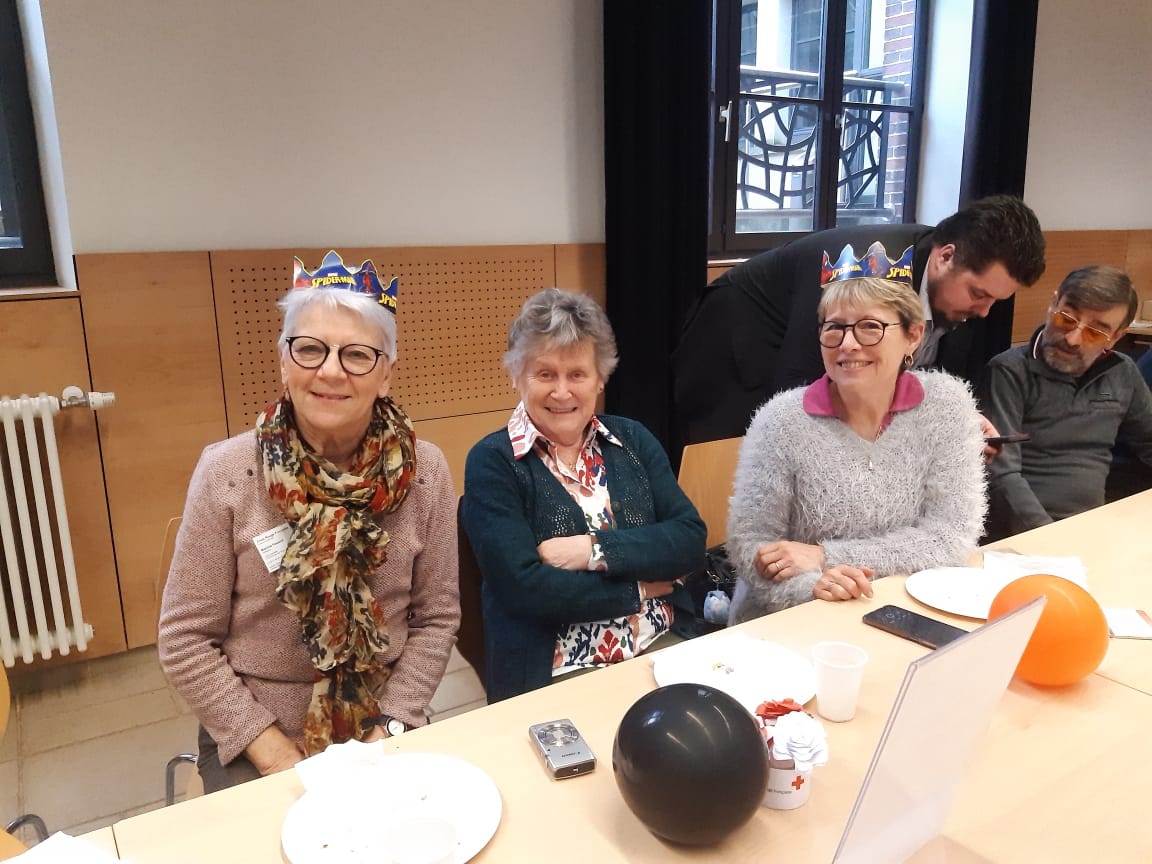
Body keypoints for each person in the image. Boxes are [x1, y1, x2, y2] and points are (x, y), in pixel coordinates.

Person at [159, 251, 459, 792]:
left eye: (356, 355)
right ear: (283, 361)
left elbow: (437, 619)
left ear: (386, 372)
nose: (330, 370)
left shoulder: (427, 471)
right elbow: (184, 640)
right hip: (257, 730)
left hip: (383, 721)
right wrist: (274, 754)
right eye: (311, 348)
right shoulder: (227, 471)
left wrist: (390, 729)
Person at [460, 289, 706, 702]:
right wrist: (638, 590)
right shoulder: (493, 461)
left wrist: (591, 549)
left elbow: (688, 539)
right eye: (545, 374)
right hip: (555, 670)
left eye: (577, 374)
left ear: (600, 378)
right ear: (517, 375)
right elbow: (524, 589)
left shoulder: (632, 439)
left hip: (662, 643)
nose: (561, 392)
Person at [673, 196, 1046, 444]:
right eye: (979, 294)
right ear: (945, 256)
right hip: (736, 350)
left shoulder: (955, 293)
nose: (983, 312)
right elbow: (802, 382)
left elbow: (924, 381)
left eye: (995, 301)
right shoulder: (864, 272)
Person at [725, 270, 986, 623]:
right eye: (834, 328)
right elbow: (750, 545)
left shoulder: (948, 406)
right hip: (795, 619)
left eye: (869, 327)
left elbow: (950, 536)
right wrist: (813, 588)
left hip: (907, 607)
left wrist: (826, 556)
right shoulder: (781, 421)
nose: (848, 344)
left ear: (913, 336)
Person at [979, 266, 1152, 540]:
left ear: (1116, 337)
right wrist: (1051, 537)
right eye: (1066, 319)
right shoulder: (1009, 370)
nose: (1072, 339)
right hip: (1019, 536)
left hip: (1092, 526)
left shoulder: (1123, 373)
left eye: (1094, 332)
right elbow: (1002, 473)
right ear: (1053, 304)